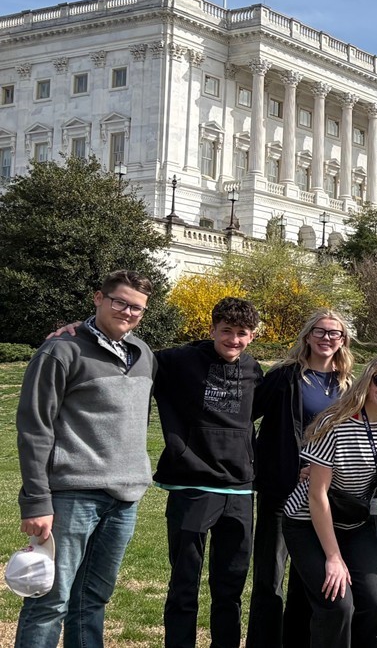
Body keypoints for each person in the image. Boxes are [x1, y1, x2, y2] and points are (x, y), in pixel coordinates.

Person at [14, 270, 156, 648]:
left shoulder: (143, 354)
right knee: (49, 600)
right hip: (71, 495)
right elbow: (34, 427)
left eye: (137, 308)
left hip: (124, 498)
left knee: (92, 600)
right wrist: (36, 500)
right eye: (119, 302)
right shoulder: (61, 350)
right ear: (99, 298)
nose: (127, 312)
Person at [281, 353, 377, 647]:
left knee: (376, 606)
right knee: (338, 604)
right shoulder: (335, 422)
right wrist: (333, 557)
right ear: (366, 381)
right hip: (307, 520)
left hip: (356, 522)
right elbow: (317, 495)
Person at [152, 297, 265, 648]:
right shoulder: (178, 361)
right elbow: (131, 352)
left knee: (229, 587)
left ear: (253, 335)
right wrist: (79, 328)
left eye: (241, 333)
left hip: (240, 490)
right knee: (184, 584)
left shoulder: (253, 370)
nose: (233, 339)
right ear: (212, 328)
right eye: (226, 331)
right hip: (192, 485)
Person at [248, 309, 354, 648]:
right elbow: (244, 419)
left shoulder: (349, 385)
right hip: (283, 489)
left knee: (310, 579)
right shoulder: (285, 377)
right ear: (307, 336)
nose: (326, 338)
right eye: (320, 332)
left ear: (343, 341)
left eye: (334, 334)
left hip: (325, 496)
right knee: (270, 577)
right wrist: (282, 465)